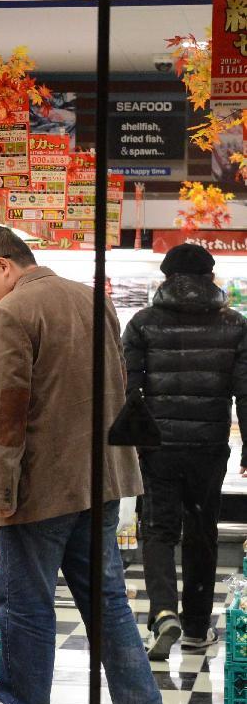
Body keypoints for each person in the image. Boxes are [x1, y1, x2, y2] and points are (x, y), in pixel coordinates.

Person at [0, 226, 165, 704]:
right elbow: (117, 384)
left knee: (25, 606)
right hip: (102, 479)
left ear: (3, 265)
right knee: (107, 599)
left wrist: (0, 491)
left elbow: (9, 412)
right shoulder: (92, 299)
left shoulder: (11, 314)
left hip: (41, 486)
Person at [122, 243, 247, 660]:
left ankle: (162, 614)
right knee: (202, 533)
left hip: (158, 447)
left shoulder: (142, 324)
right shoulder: (236, 326)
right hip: (209, 446)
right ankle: (196, 627)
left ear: (166, 278)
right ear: (211, 278)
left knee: (158, 530)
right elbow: (246, 395)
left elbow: (130, 392)